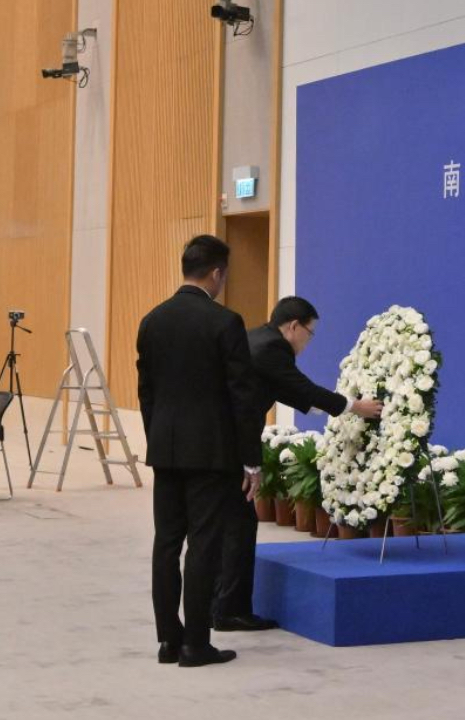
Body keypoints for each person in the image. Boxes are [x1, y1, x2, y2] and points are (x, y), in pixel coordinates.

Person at [212, 296, 382, 632]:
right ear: (293, 327)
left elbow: (290, 392)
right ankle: (230, 611)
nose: (309, 341)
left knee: (225, 526)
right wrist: (354, 406)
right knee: (239, 526)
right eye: (310, 332)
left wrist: (337, 408)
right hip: (230, 446)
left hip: (214, 443)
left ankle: (216, 605)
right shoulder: (275, 349)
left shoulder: (255, 339)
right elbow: (301, 387)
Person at [137, 235, 262, 667]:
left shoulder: (152, 321)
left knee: (166, 543)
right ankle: (196, 643)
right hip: (212, 454)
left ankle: (168, 641)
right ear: (216, 273)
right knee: (204, 544)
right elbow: (242, 398)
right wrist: (251, 459)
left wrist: (159, 438)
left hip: (165, 451)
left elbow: (146, 393)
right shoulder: (225, 323)